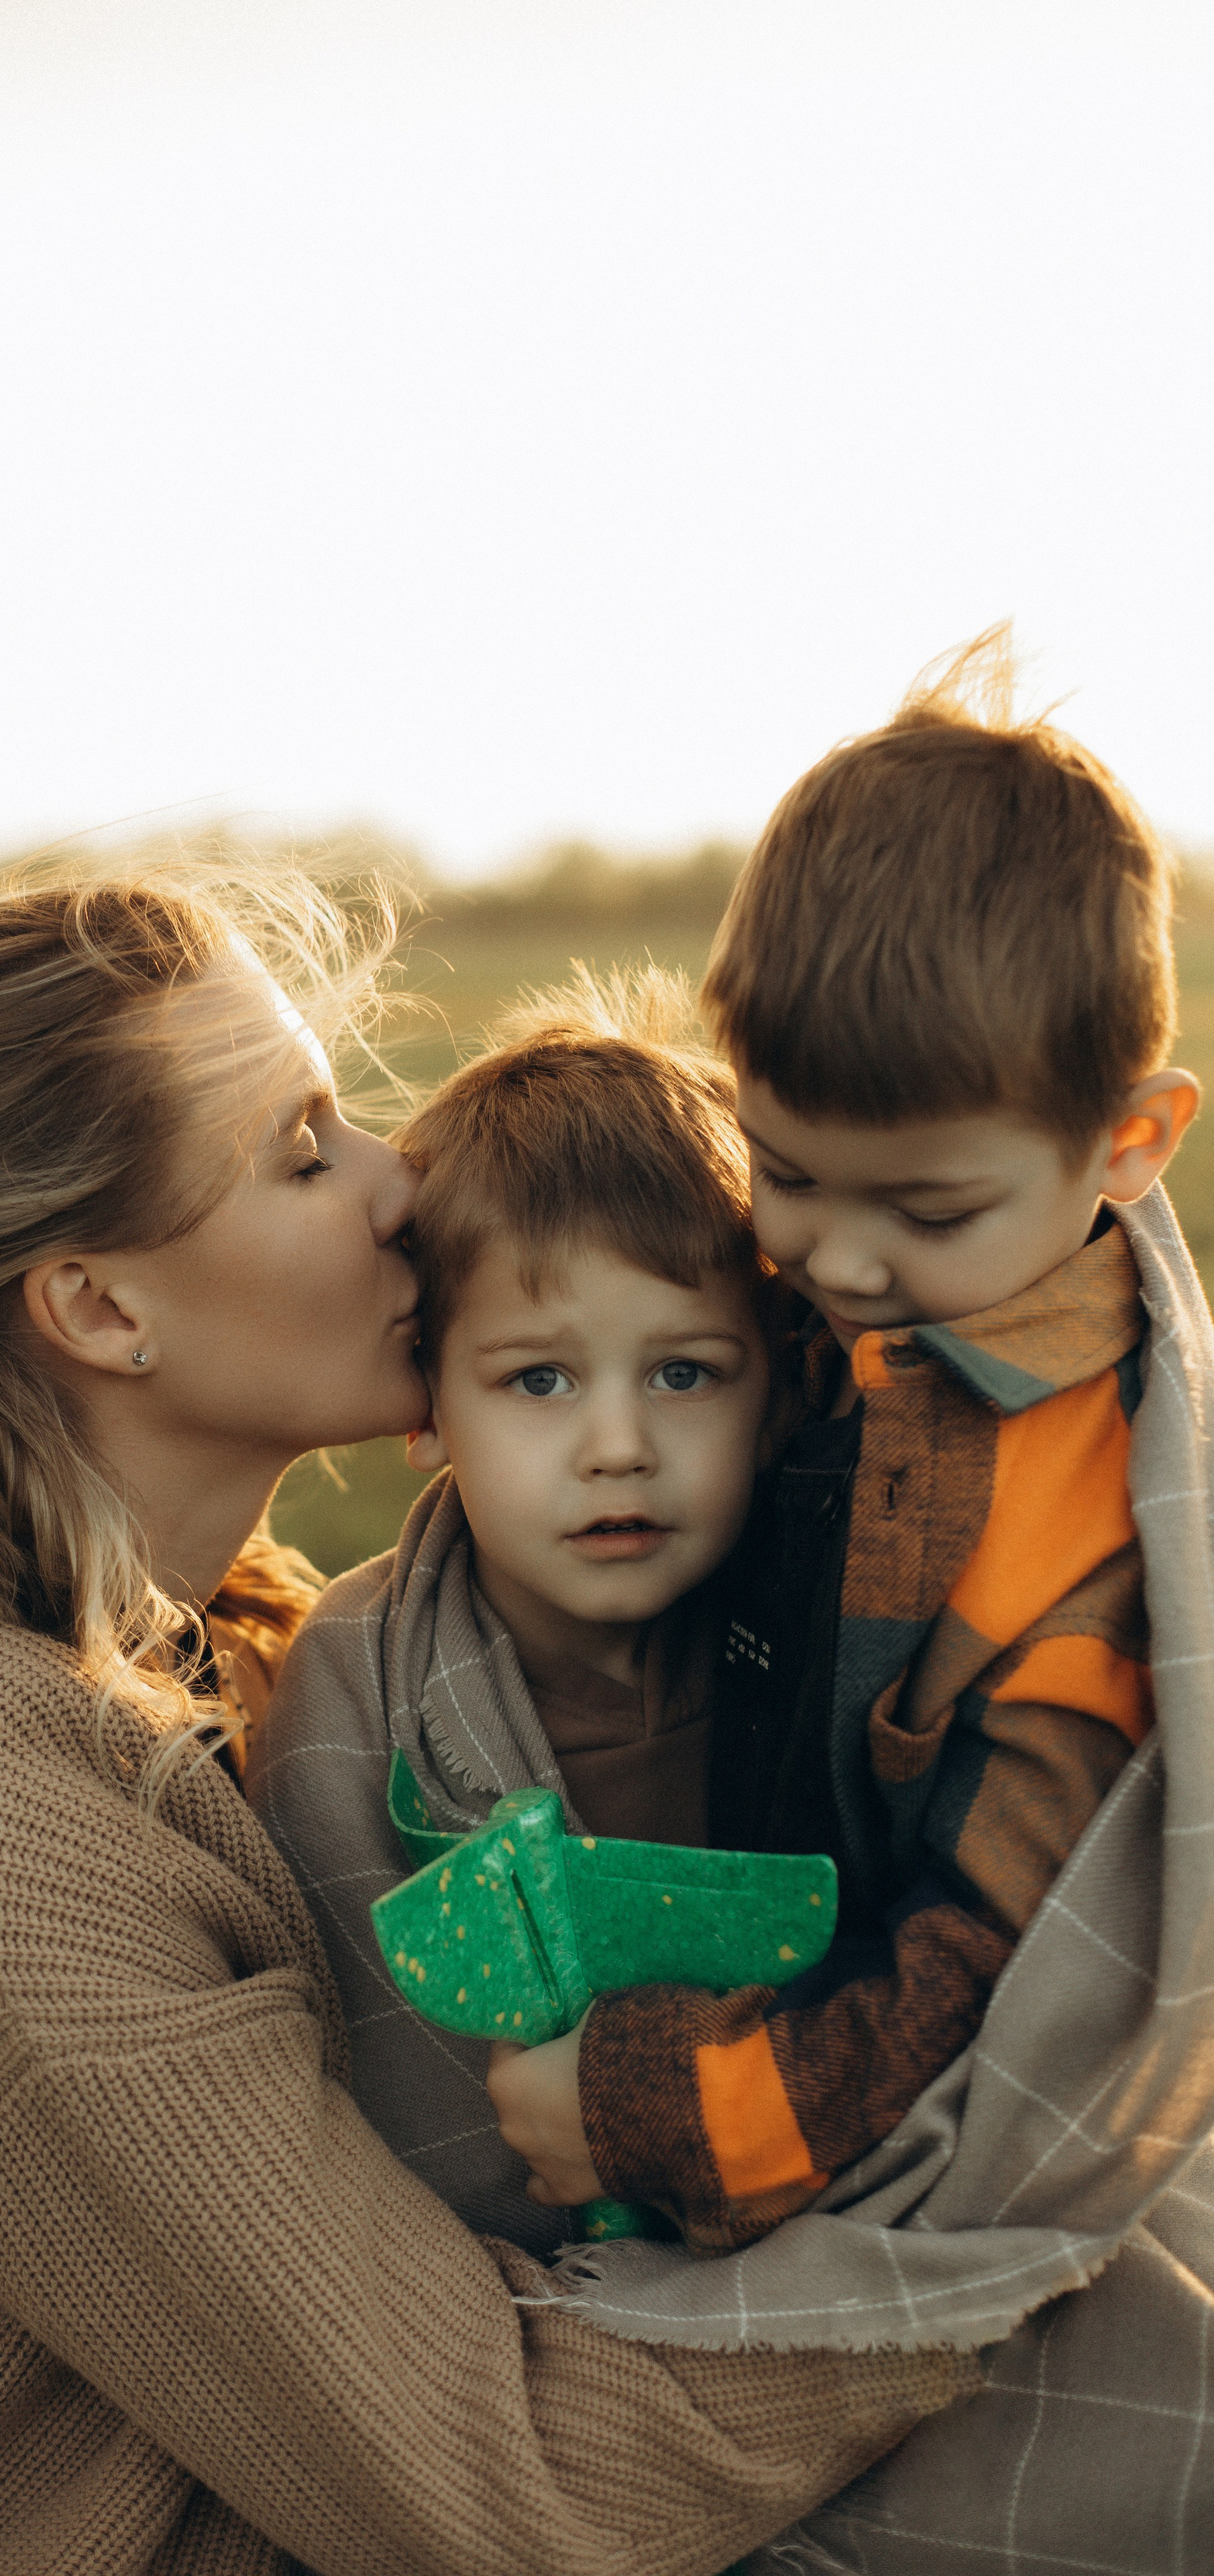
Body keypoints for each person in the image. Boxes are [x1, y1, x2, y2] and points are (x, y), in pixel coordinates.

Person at [0, 865, 971, 2575]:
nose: (400, 1182)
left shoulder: (229, 1636)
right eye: (301, 1154)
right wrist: (1007, 2244)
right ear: (102, 1311)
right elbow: (511, 2499)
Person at [480, 632, 1203, 2255]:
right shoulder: (842, 1319)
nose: (841, 1260)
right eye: (784, 1171)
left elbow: (991, 1981)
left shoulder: (1077, 1542)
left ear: (1131, 1144)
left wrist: (659, 2109)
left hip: (833, 2131)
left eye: (928, 1209)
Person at [247, 967, 781, 2253]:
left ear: (782, 1391)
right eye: (538, 1379)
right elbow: (365, 2097)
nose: (617, 1445)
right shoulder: (357, 1696)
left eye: (684, 1373)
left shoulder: (816, 1642)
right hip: (494, 2302)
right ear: (427, 1404)